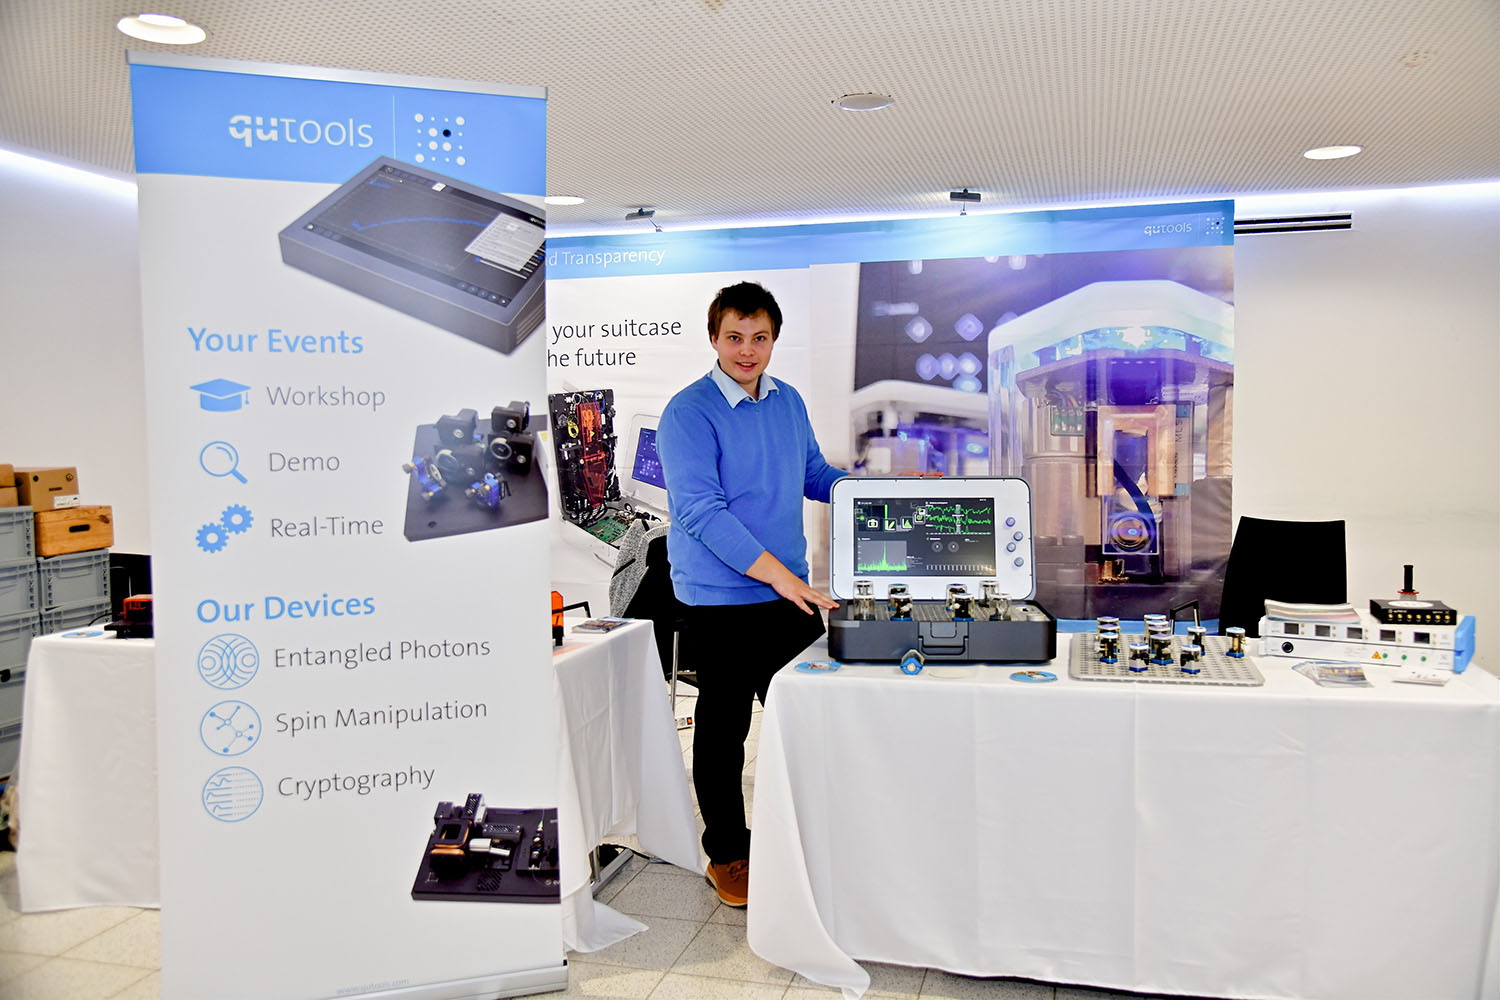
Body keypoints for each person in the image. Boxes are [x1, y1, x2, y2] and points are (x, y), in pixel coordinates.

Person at [656, 280, 845, 908]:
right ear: (714, 338)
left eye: (758, 338)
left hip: (785, 594)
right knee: (723, 731)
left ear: (773, 340)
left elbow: (815, 475)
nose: (746, 350)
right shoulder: (689, 413)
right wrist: (781, 576)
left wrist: (882, 489)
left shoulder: (787, 401)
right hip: (718, 600)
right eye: (734, 337)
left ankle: (809, 840)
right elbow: (701, 513)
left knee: (807, 722)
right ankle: (728, 854)